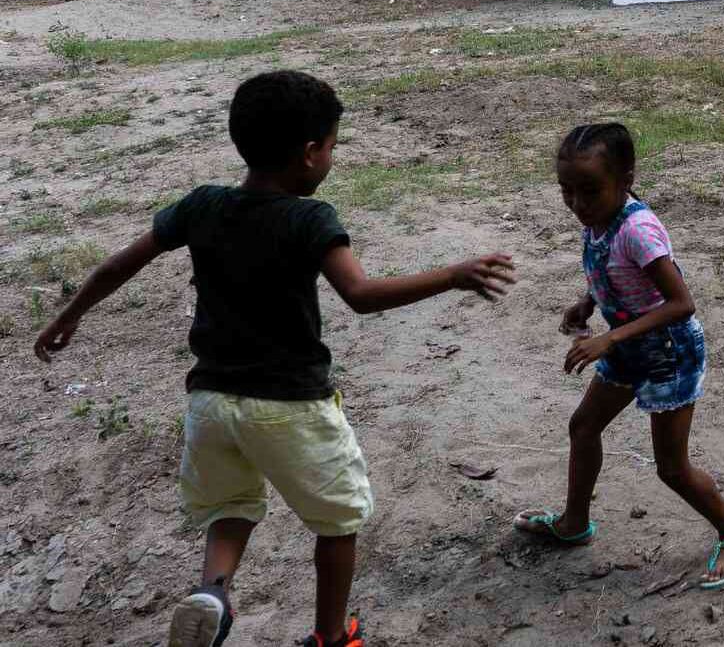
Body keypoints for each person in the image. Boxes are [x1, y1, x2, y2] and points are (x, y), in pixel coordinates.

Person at [32, 70, 516, 647]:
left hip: (211, 402)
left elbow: (119, 264)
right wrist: (451, 275)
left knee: (231, 504)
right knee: (339, 521)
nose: (332, 157)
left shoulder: (202, 205)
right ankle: (331, 637)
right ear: (311, 154)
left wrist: (70, 314)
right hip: (291, 405)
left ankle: (213, 591)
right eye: (333, 146)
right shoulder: (310, 219)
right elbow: (360, 296)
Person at [511, 123, 724, 590]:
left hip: (669, 354)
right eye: (567, 191)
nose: (578, 204)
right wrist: (588, 303)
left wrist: (608, 338)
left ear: (625, 180)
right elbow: (613, 271)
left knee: (671, 467)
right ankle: (574, 523)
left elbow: (681, 303)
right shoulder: (601, 219)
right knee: (583, 426)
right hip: (629, 346)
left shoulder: (638, 230)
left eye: (589, 191)